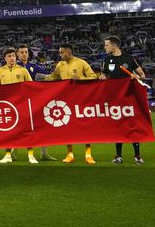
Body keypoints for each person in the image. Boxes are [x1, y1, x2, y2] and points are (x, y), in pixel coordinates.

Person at [45, 43, 98, 164]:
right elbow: (54, 77)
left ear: (69, 52)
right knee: (68, 127)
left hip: (81, 99)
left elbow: (93, 76)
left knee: (85, 127)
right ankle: (70, 154)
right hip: (66, 100)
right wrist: (41, 79)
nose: (60, 54)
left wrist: (80, 78)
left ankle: (88, 154)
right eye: (60, 52)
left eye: (62, 52)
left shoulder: (81, 63)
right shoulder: (60, 65)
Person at [99, 36, 147, 164]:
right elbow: (103, 74)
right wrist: (102, 77)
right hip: (114, 98)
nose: (105, 47)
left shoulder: (129, 59)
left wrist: (136, 76)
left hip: (129, 97)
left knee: (132, 125)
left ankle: (137, 156)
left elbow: (142, 75)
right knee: (117, 126)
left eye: (106, 45)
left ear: (114, 45)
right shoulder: (107, 60)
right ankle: (118, 156)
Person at [0, 48, 34, 164]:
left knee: (27, 129)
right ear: (5, 58)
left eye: (13, 56)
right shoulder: (0, 71)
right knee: (8, 131)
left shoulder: (23, 70)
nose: (12, 58)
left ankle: (31, 155)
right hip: (8, 105)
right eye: (9, 56)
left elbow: (30, 86)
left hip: (21, 103)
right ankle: (8, 155)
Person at [16, 44, 54, 161]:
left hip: (33, 102)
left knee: (41, 127)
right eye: (21, 52)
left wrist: (57, 76)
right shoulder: (13, 68)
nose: (24, 54)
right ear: (17, 54)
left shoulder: (34, 67)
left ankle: (44, 153)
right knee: (17, 128)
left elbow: (47, 78)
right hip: (18, 102)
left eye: (26, 52)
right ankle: (12, 152)